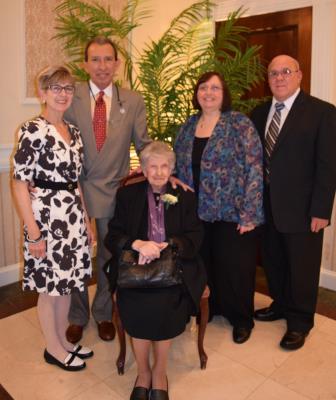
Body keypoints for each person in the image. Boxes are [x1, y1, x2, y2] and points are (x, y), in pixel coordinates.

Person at [64, 36, 151, 343]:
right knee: (76, 256)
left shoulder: (133, 100)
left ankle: (102, 312)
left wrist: (164, 168)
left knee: (107, 256)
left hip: (114, 192)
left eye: (107, 59)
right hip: (73, 192)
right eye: (95, 59)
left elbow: (144, 144)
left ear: (117, 64)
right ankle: (76, 316)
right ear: (84, 64)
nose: (102, 66)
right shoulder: (68, 96)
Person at [105, 141, 206, 400]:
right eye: (153, 166)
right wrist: (137, 244)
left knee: (166, 304)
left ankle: (159, 373)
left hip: (175, 268)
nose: (159, 172)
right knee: (134, 305)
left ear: (172, 169)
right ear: (144, 169)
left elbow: (196, 235)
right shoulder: (128, 195)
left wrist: (170, 244)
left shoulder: (184, 196)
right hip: (134, 270)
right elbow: (113, 236)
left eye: (165, 167)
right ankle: (143, 373)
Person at [251, 55, 336, 350]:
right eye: (273, 73)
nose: (279, 77)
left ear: (300, 75)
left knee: (303, 267)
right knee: (274, 261)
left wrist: (321, 210)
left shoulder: (322, 113)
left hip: (304, 209)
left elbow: (328, 166)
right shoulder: (259, 113)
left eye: (286, 71)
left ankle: (300, 321)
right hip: (267, 207)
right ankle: (280, 304)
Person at [12, 66, 94, 371]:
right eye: (56, 88)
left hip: (72, 217)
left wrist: (86, 219)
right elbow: (20, 183)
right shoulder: (32, 130)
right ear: (43, 92)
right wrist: (33, 233)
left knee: (66, 285)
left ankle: (62, 341)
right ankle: (52, 348)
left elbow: (76, 181)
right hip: (46, 220)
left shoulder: (73, 132)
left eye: (68, 88)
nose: (63, 94)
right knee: (50, 289)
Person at [174, 71, 264, 344]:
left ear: (223, 94)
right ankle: (211, 309)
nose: (209, 93)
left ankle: (241, 319)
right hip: (197, 212)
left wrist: (250, 212)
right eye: (203, 88)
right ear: (197, 93)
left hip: (232, 211)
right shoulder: (189, 126)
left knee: (235, 267)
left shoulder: (238, 123)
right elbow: (177, 163)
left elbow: (255, 167)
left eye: (215, 88)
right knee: (206, 264)